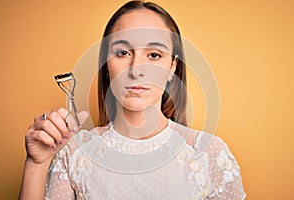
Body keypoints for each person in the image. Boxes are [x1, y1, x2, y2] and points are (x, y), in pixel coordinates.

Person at [19, 1, 246, 199]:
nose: (137, 70)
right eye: (122, 52)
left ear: (172, 67)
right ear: (106, 64)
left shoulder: (210, 154)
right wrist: (36, 165)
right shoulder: (75, 153)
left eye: (154, 55)